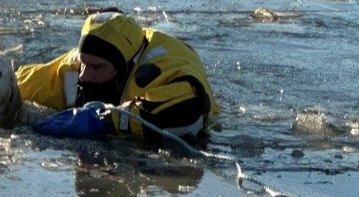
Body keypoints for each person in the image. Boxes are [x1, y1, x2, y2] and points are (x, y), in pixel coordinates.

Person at [17, 11, 218, 140]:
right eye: (84, 64)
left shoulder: (161, 71)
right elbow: (12, 81)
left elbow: (189, 109)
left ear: (125, 68)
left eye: (97, 68)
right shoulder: (75, 66)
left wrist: (105, 121)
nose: (84, 76)